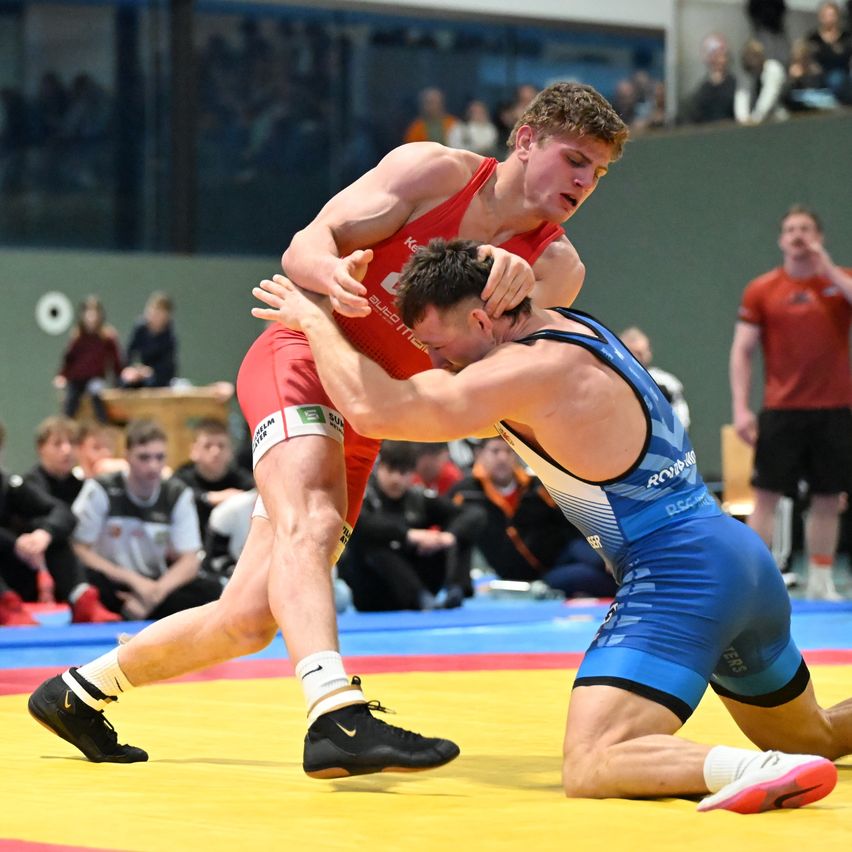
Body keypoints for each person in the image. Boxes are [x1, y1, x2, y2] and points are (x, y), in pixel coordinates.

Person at [28, 82, 628, 777]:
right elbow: (305, 246)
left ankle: (77, 694)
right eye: (575, 159)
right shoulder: (434, 173)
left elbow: (463, 397)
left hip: (370, 411)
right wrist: (333, 276)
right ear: (525, 140)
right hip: (302, 354)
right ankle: (335, 714)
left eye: (598, 172)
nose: (584, 182)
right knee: (310, 521)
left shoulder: (555, 269)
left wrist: (508, 317)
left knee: (247, 619)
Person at [249, 237, 850, 813]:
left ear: (482, 321)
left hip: (681, 574)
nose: (432, 361)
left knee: (593, 760)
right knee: (815, 736)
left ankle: (754, 769)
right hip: (738, 559)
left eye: (437, 344)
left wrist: (314, 321)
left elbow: (375, 410)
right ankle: (785, 757)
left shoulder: (525, 370)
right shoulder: (571, 326)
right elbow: (535, 278)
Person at [730, 205, 852, 601]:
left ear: (819, 237)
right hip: (781, 410)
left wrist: (826, 267)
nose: (799, 235)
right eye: (791, 230)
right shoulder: (762, 289)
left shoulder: (840, 282)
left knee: (828, 498)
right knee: (765, 496)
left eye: (806, 229)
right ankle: (755, 582)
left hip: (834, 410)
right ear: (782, 240)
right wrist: (741, 409)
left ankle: (821, 580)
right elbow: (742, 351)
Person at [69, 419, 220, 621]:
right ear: (127, 457)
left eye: (159, 457)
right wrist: (132, 580)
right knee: (84, 582)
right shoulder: (101, 489)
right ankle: (126, 609)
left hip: (155, 584)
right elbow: (79, 549)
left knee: (212, 592)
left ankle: (139, 610)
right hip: (112, 580)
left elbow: (190, 560)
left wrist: (155, 593)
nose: (153, 466)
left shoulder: (176, 494)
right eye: (144, 457)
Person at [449, 437, 614, 598]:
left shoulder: (537, 486)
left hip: (565, 551)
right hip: (537, 576)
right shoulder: (465, 493)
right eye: (495, 451)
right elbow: (450, 532)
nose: (503, 457)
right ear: (479, 454)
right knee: (586, 576)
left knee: (600, 558)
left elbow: (574, 519)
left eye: (509, 451)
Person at [340, 441, 484, 611]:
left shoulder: (418, 499)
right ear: (379, 468)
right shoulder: (364, 497)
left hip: (422, 584)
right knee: (373, 543)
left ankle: (456, 588)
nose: (396, 479)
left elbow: (474, 514)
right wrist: (409, 535)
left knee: (459, 533)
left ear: (413, 474)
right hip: (372, 591)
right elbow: (360, 525)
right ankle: (419, 596)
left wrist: (448, 536)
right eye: (390, 471)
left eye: (403, 473)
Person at [0, 420, 117, 626]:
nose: (66, 451)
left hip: (24, 568)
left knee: (54, 536)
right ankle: (4, 604)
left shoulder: (9, 483)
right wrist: (15, 543)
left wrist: (44, 534)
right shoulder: (33, 479)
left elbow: (61, 511)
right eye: (57, 444)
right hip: (18, 566)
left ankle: (82, 599)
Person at [173, 418, 255, 535]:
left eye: (221, 446)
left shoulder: (242, 479)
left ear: (230, 451)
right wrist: (209, 498)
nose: (215, 452)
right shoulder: (182, 478)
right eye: (207, 446)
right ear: (194, 450)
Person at [53, 295, 121, 422]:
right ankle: (67, 425)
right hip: (77, 380)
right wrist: (62, 376)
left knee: (96, 393)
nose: (91, 317)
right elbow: (69, 359)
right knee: (71, 401)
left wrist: (120, 380)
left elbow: (116, 362)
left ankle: (103, 425)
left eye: (94, 313)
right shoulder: (77, 336)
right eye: (88, 313)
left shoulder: (107, 337)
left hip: (95, 379)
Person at [620, 326, 690, 429]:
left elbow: (681, 420)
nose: (644, 357)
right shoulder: (609, 380)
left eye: (646, 351)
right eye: (637, 353)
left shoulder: (664, 384)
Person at [120, 292, 177, 388]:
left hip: (159, 378)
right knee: (126, 383)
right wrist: (132, 370)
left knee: (153, 383)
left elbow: (167, 367)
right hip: (141, 374)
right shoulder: (140, 328)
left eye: (159, 312)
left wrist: (150, 371)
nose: (154, 315)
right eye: (152, 310)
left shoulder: (169, 337)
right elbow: (128, 354)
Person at [24, 416, 85, 507]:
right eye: (57, 443)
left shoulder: (82, 488)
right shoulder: (29, 486)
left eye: (72, 442)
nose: (67, 450)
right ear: (41, 448)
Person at [683, 33, 736, 124]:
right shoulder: (702, 91)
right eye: (715, 55)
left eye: (722, 54)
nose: (719, 59)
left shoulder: (736, 86)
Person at [735, 39, 788, 125]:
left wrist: (756, 118)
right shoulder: (748, 74)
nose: (751, 59)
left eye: (754, 55)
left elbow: (769, 94)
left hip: (778, 119)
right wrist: (743, 119)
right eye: (748, 56)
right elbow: (742, 96)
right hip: (754, 122)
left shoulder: (773, 68)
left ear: (761, 55)